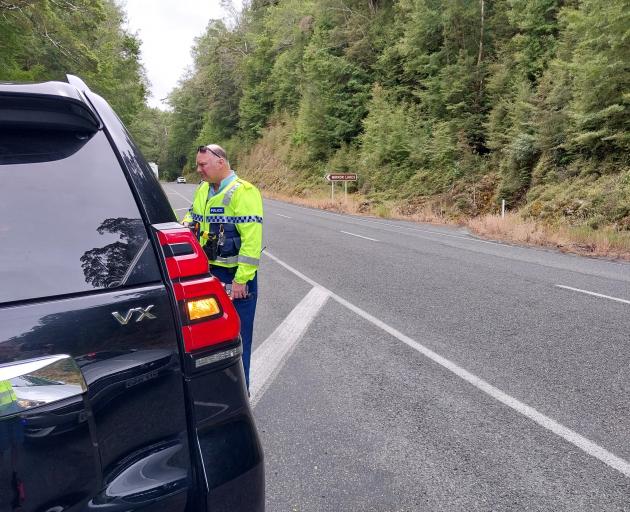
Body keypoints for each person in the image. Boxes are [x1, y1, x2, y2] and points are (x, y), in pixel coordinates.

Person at [182, 144, 263, 390]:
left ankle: (241, 393)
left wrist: (241, 280)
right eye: (197, 165)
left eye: (203, 165)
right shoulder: (202, 190)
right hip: (206, 274)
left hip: (235, 277)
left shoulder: (244, 192)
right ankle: (215, 391)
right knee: (207, 338)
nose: (199, 170)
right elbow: (192, 218)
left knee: (238, 339)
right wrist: (182, 229)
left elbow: (252, 240)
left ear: (220, 162)